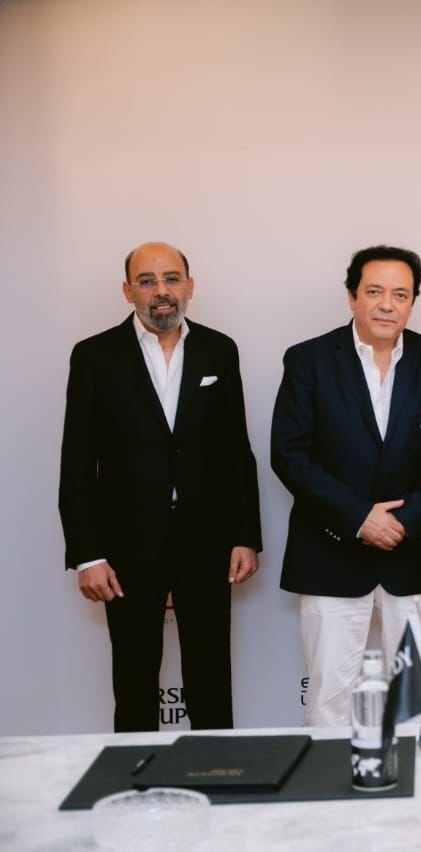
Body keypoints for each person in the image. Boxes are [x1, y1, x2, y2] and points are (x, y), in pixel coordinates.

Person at [58, 242, 262, 732]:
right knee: (133, 682)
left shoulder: (219, 350)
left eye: (171, 279)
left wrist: (245, 536)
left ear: (190, 287)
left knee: (211, 680)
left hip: (207, 542)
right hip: (126, 547)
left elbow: (236, 451)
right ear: (127, 291)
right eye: (147, 281)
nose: (161, 291)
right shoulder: (94, 356)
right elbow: (78, 463)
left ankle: (218, 772)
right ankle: (137, 776)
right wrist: (87, 555)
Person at [271, 245, 421, 726]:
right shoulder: (309, 360)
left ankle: (418, 778)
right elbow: (289, 454)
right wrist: (360, 518)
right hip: (331, 554)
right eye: (375, 291)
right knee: (331, 699)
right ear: (352, 296)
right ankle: (332, 780)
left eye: (400, 294)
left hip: (413, 551)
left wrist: (403, 521)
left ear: (413, 302)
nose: (387, 304)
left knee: (416, 701)